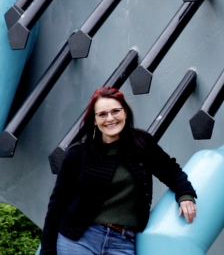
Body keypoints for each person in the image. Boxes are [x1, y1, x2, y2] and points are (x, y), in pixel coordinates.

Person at [40, 87, 197, 255]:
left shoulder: (142, 144)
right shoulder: (78, 153)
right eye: (102, 114)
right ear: (94, 120)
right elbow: (57, 204)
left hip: (123, 242)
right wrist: (47, 250)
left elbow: (170, 170)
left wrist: (185, 194)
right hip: (79, 240)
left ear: (125, 113)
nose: (110, 118)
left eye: (116, 111)